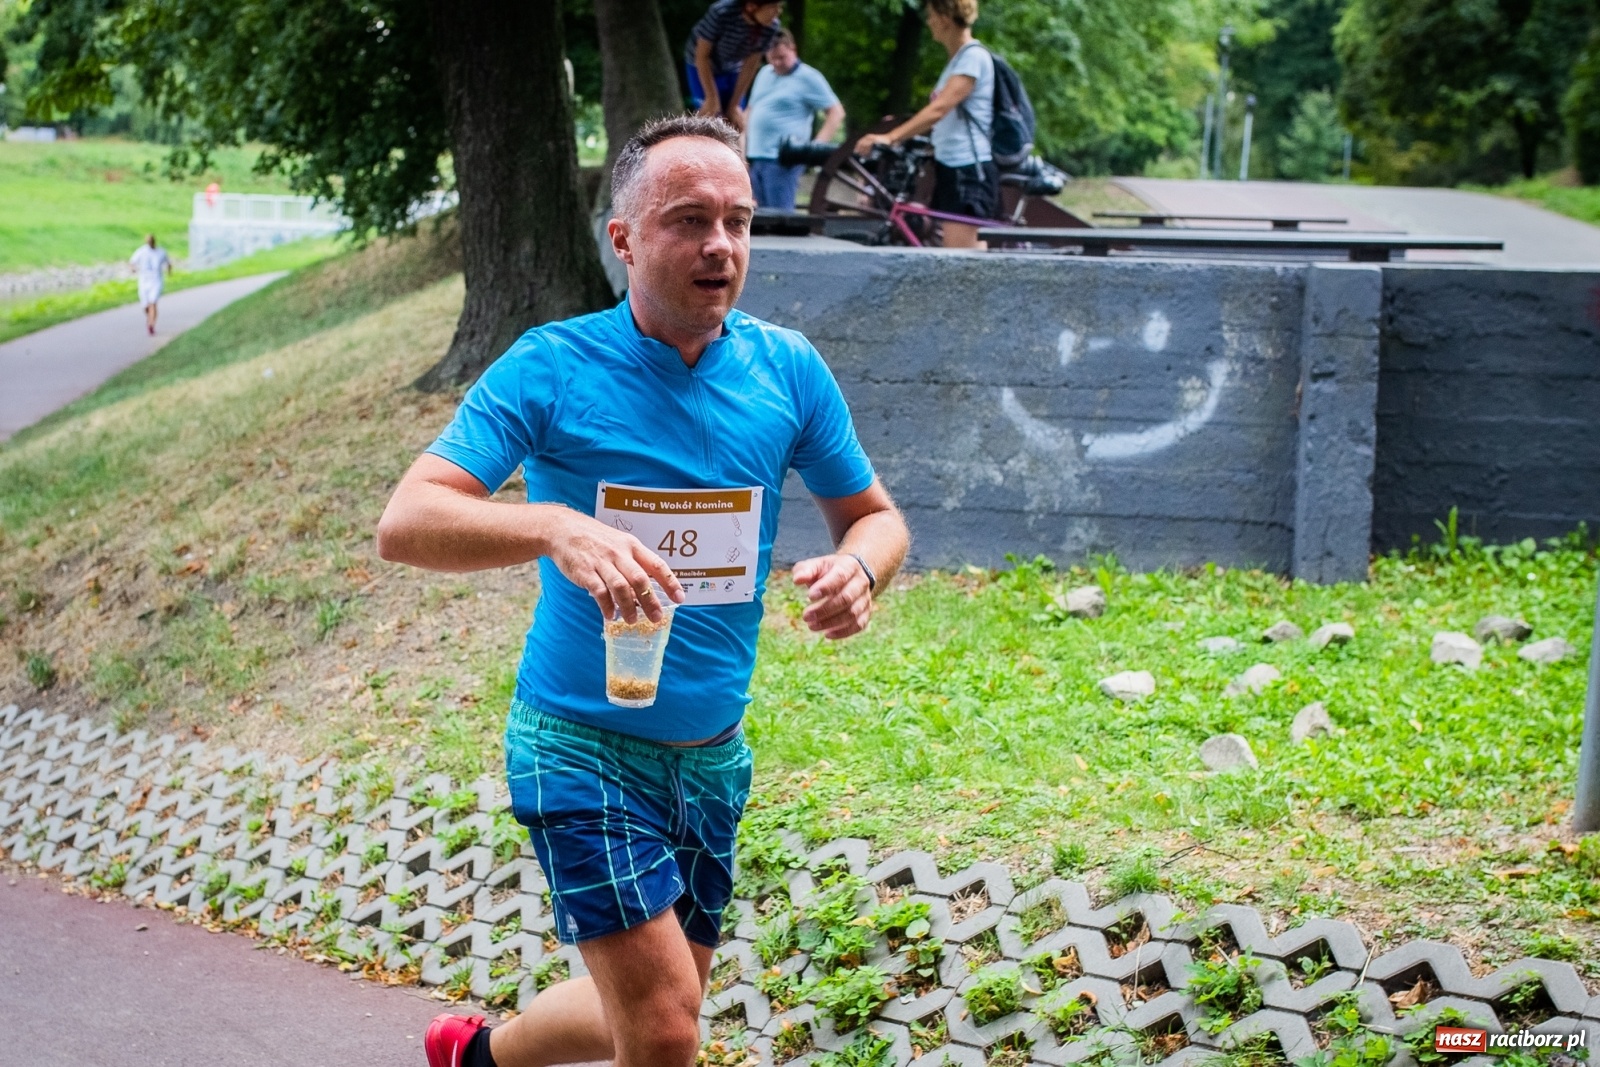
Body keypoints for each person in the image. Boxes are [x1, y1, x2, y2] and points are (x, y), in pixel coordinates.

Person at [377, 114, 909, 1067]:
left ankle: (478, 1055)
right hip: (580, 742)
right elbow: (408, 520)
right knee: (666, 1028)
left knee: (663, 1007)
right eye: (689, 219)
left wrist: (860, 568)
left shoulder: (787, 369)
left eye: (738, 221)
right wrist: (554, 525)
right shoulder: (552, 366)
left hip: (710, 756)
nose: (721, 245)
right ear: (621, 238)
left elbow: (875, 514)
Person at [853, 0, 998, 248]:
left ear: (945, 17)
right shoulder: (957, 61)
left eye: (931, 15)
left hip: (967, 169)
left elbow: (939, 109)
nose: (928, 21)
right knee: (966, 253)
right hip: (952, 165)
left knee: (959, 261)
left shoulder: (973, 57)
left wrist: (891, 137)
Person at [744, 29, 845, 211]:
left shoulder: (809, 77)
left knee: (779, 218)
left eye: (782, 57)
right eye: (771, 58)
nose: (776, 63)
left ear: (793, 49)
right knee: (754, 219)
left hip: (782, 161)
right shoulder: (764, 73)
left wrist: (814, 148)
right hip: (754, 157)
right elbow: (750, 111)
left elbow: (836, 112)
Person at [684, 0, 785, 131]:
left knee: (736, 119)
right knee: (710, 115)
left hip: (732, 66)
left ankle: (735, 150)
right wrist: (711, 97)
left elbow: (750, 65)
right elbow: (702, 56)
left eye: (779, 7)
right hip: (700, 62)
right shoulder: (721, 13)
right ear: (751, 6)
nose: (778, 12)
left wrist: (734, 104)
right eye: (773, 6)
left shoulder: (771, 26)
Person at [129, 234, 172, 335]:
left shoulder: (161, 252)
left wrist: (169, 272)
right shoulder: (142, 251)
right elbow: (132, 262)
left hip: (156, 281)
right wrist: (133, 269)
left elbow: (168, 263)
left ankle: (151, 325)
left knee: (153, 302)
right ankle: (150, 318)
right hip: (144, 281)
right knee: (145, 305)